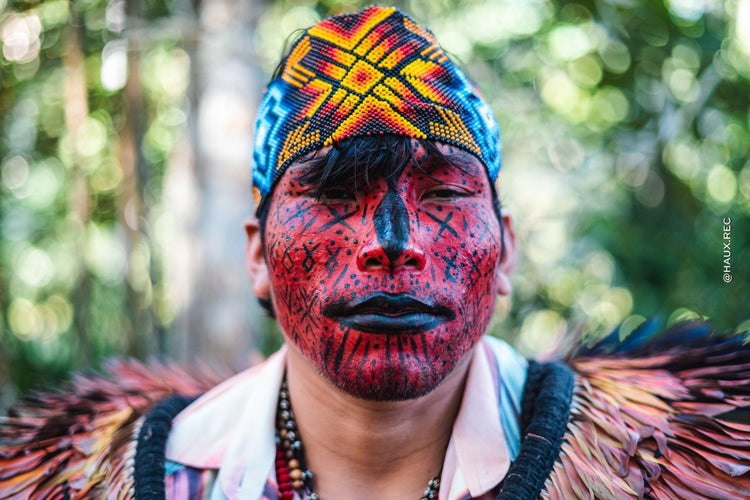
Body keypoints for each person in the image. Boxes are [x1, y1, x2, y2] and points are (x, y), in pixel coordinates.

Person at [1, 6, 749, 500]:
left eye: (444, 197)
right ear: (258, 256)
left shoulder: (676, 467)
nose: (392, 246)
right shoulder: (100, 477)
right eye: (332, 197)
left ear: (507, 248)